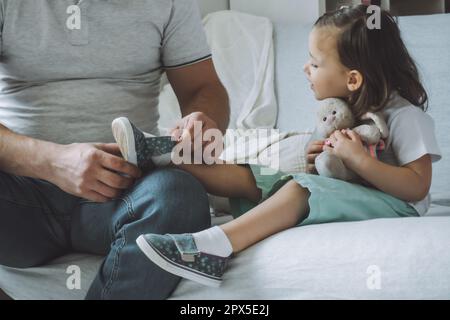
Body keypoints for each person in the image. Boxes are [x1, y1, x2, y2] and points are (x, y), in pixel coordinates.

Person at [128, 5, 441, 287]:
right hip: (351, 194)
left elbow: (417, 187)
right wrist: (315, 157)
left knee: (298, 190)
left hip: (397, 207)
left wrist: (359, 160)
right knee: (257, 178)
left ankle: (209, 249)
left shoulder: (405, 117)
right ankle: (164, 155)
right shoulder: (341, 113)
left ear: (353, 79)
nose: (306, 69)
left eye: (315, 63)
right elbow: (336, 175)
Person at [0, 0, 229, 299]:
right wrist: (53, 162)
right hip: (23, 194)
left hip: (130, 188)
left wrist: (203, 120)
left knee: (180, 195)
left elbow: (204, 88)